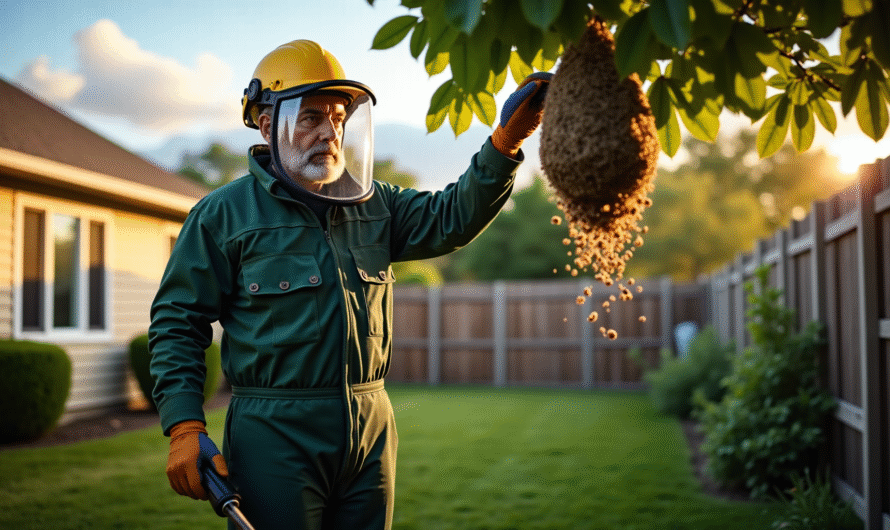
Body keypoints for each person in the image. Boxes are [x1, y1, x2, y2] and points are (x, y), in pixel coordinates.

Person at [149, 39, 551, 530]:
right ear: (266, 122)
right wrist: (185, 427)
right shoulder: (223, 214)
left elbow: (452, 217)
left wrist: (504, 143)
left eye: (339, 117)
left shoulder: (377, 204)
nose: (330, 132)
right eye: (312, 117)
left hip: (372, 425)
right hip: (274, 430)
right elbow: (177, 321)